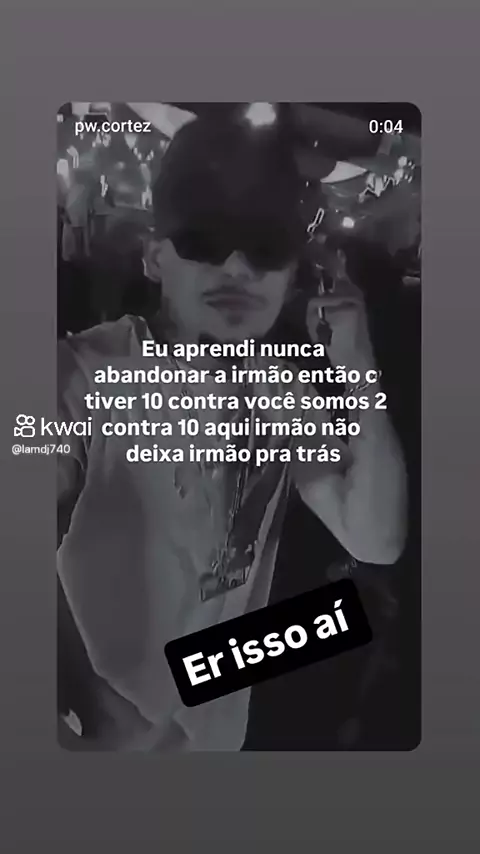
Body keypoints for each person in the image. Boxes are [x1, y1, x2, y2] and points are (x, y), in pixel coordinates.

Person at [57, 115, 407, 751]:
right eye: (206, 238)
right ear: (156, 257)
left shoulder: (281, 388)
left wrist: (359, 367)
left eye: (266, 244)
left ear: (294, 272)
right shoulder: (84, 374)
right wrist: (95, 709)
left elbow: (376, 539)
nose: (239, 266)